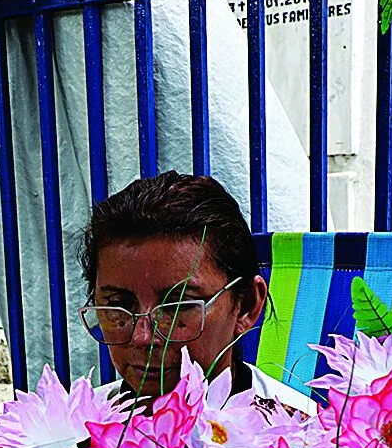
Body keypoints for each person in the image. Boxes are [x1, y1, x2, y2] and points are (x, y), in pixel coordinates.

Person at [78, 171, 273, 400]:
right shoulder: (68, 429)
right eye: (118, 304)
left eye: (178, 305)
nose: (143, 338)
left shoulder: (304, 431)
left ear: (246, 306)